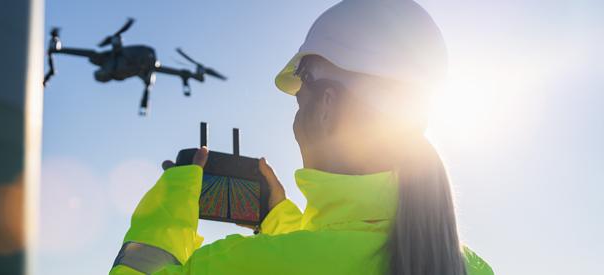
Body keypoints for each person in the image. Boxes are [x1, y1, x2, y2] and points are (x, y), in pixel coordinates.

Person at [109, 0, 494, 274]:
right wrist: (280, 220)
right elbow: (330, 255)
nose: (296, 118)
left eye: (300, 96)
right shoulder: (473, 266)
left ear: (326, 105)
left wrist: (173, 200)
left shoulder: (244, 265)